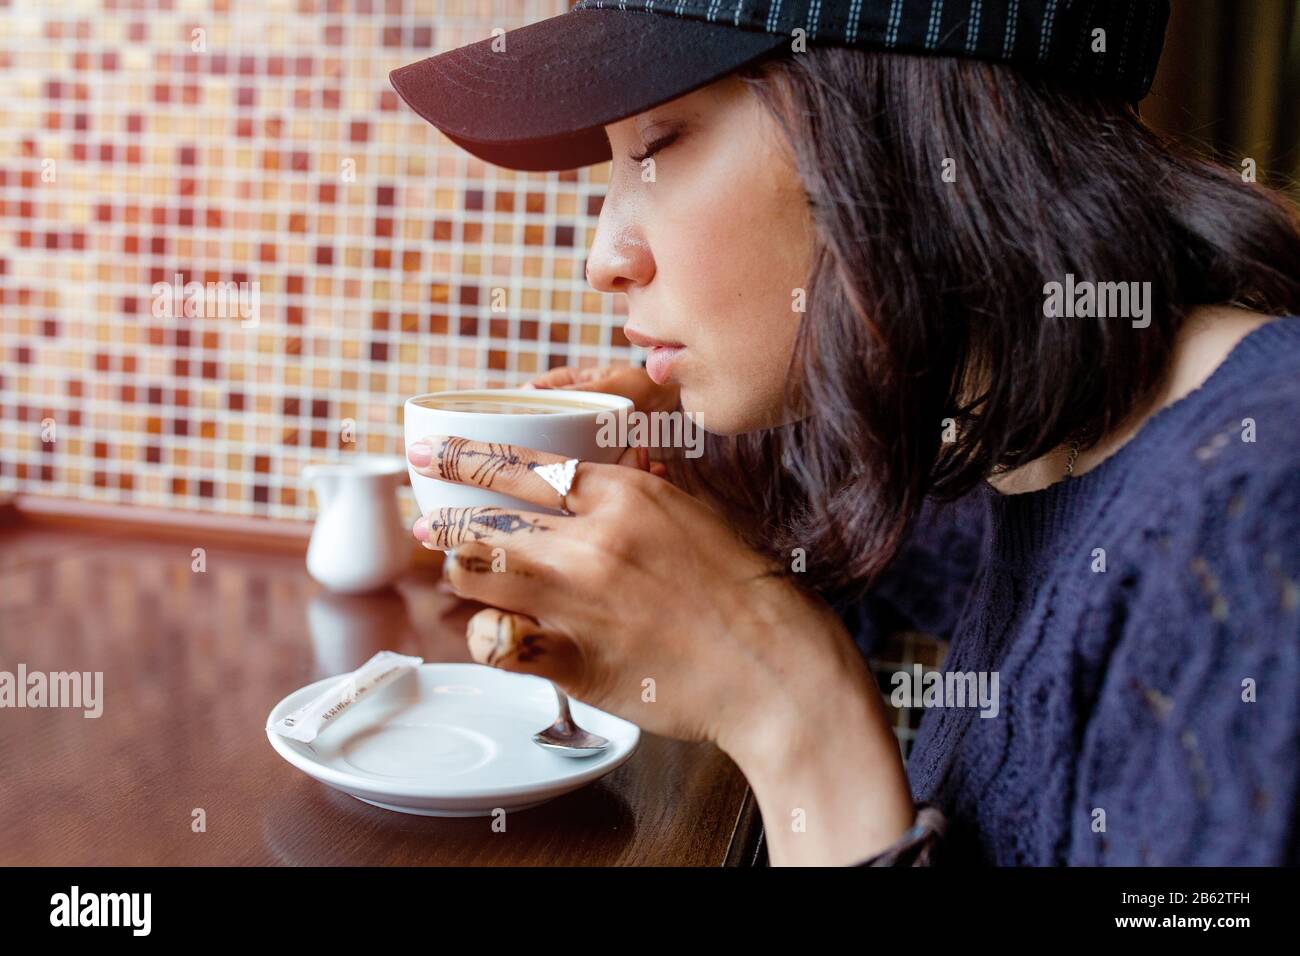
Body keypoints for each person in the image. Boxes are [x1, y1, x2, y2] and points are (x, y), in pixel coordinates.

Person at [391, 1, 1300, 865]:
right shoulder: (1035, 443)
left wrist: (791, 716)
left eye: (657, 147)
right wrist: (705, 478)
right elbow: (896, 540)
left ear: (902, 125)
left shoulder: (1260, 509)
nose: (605, 260)